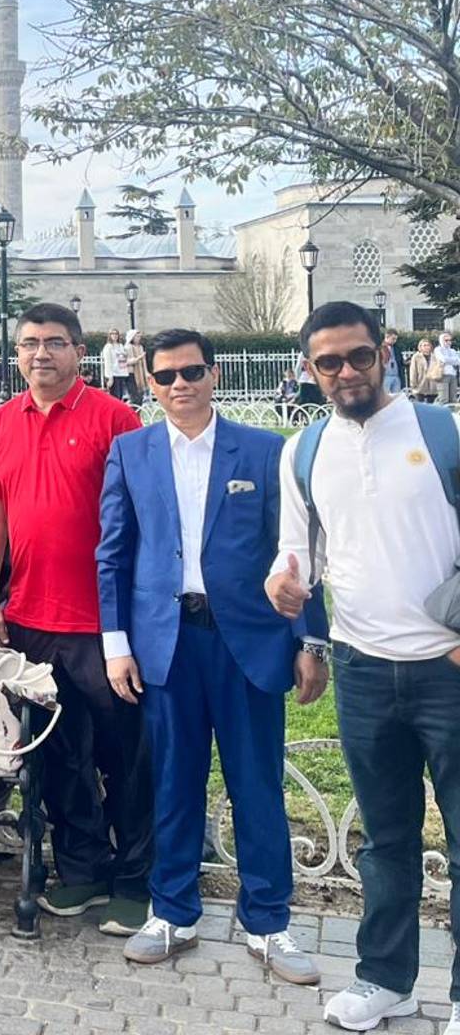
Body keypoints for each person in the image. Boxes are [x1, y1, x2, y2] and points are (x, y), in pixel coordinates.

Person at [97, 327, 327, 983]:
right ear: (148, 382)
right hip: (167, 643)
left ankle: (269, 922)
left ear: (214, 374)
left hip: (247, 641)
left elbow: (297, 550)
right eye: (166, 375)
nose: (180, 385)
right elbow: (113, 553)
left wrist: (311, 639)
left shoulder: (263, 449)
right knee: (173, 781)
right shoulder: (131, 451)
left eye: (192, 372)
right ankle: (173, 912)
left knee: (256, 783)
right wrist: (116, 644)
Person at [266, 301, 460, 1033]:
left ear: (385, 352)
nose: (346, 372)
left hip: (448, 668)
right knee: (385, 841)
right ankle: (386, 979)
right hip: (364, 670)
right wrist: (282, 585)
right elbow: (297, 555)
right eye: (329, 362)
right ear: (310, 370)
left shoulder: (442, 430)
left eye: (359, 356)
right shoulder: (304, 451)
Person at [0, 301, 151, 935]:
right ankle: (82, 870)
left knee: (125, 756)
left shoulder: (115, 418)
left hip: (104, 625)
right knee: (59, 756)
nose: (40, 353)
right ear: (17, 354)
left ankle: (136, 880)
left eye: (53, 342)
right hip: (31, 623)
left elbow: (142, 518)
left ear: (79, 351)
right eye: (29, 343)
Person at [101, 329, 132, 400]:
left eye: (116, 334)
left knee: (120, 396)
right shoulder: (108, 347)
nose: (114, 335)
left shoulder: (121, 346)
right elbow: (108, 362)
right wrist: (110, 377)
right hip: (113, 374)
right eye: (112, 334)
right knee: (115, 396)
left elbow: (124, 358)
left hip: (121, 373)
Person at [409, 336, 441, 404]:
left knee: (431, 406)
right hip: (420, 385)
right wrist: (413, 384)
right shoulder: (416, 357)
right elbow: (413, 371)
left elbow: (438, 370)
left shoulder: (435, 356)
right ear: (420, 347)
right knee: (420, 405)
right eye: (424, 345)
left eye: (428, 345)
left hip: (432, 387)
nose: (426, 347)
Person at [434, 330, 460, 405]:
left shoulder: (453, 351)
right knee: (444, 399)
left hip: (453, 375)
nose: (448, 342)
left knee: (453, 399)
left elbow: (458, 361)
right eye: (446, 340)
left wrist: (449, 360)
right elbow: (443, 359)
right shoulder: (438, 349)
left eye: (450, 340)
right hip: (443, 375)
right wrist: (452, 360)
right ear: (441, 340)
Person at [123, 329, 148, 402]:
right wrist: (138, 358)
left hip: (141, 373)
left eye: (139, 336)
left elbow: (144, 362)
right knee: (134, 395)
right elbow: (125, 362)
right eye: (137, 336)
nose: (138, 338)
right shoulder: (127, 347)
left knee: (141, 394)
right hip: (131, 373)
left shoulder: (140, 347)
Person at [382, 329, 405, 398]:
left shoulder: (397, 348)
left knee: (396, 398)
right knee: (385, 397)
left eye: (395, 339)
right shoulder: (380, 348)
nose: (395, 341)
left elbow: (400, 362)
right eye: (393, 339)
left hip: (396, 376)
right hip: (385, 376)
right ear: (387, 337)